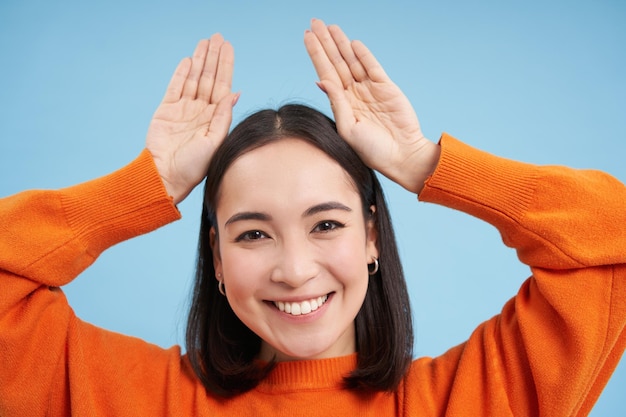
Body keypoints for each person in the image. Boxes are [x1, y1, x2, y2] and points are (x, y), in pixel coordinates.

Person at [1, 18, 624, 416]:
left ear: (372, 235)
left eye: (326, 224)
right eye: (252, 233)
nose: (295, 270)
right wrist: (147, 186)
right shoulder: (128, 397)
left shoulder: (471, 398)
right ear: (217, 258)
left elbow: (613, 230)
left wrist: (423, 162)